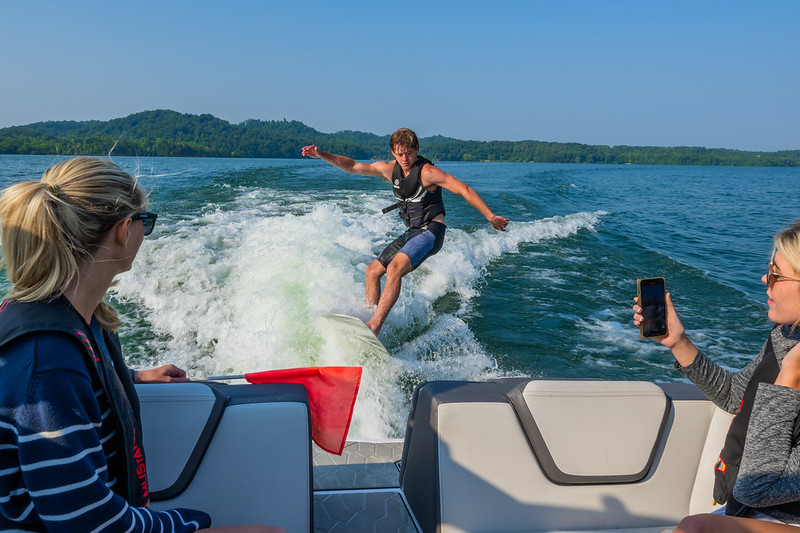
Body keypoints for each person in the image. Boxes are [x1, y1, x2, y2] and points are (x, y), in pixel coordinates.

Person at [0, 158, 282, 533]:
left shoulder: (71, 319)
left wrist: (127, 377)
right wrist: (190, 525)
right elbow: (86, 523)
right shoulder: (48, 360)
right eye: (144, 223)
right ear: (123, 230)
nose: (144, 234)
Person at [633, 221, 800, 532]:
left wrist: (789, 378)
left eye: (777, 274)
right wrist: (678, 343)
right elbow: (736, 396)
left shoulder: (794, 360)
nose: (765, 278)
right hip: (748, 506)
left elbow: (759, 487)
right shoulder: (785, 337)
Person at [302, 128, 509, 335]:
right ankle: (367, 319)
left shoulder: (428, 173)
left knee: (394, 268)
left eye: (409, 153)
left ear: (416, 149)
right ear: (393, 152)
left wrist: (490, 217)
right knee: (372, 272)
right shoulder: (389, 169)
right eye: (400, 154)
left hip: (432, 231)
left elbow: (464, 189)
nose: (405, 158)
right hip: (413, 231)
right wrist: (321, 154)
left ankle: (374, 326)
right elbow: (353, 166)